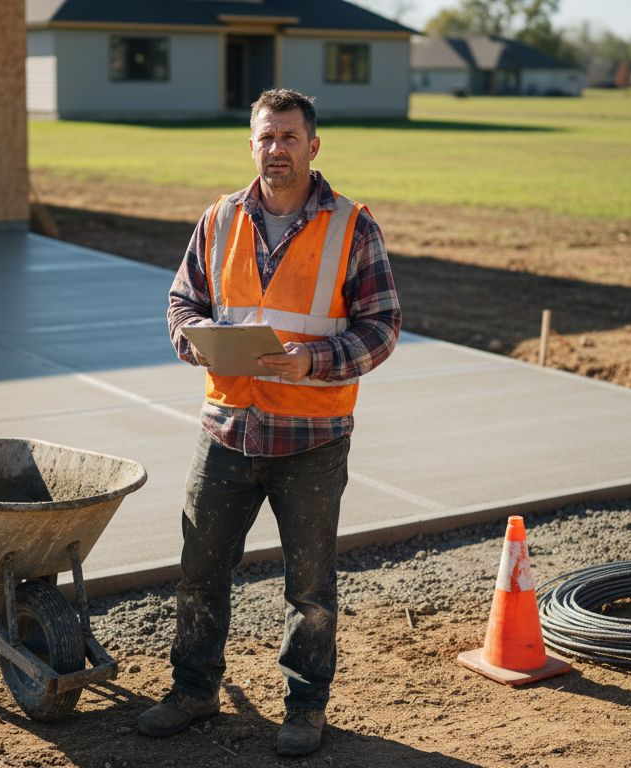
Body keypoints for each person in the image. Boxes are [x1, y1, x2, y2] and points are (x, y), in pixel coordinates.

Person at [139, 88, 401, 757]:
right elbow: (183, 301)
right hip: (226, 431)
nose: (276, 149)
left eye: (288, 137)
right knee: (200, 570)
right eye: (265, 137)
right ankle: (193, 692)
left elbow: (382, 327)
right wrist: (196, 339)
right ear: (250, 144)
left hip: (311, 440)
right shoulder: (220, 217)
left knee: (309, 586)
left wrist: (314, 360)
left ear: (313, 146)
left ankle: (305, 708)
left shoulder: (352, 226)